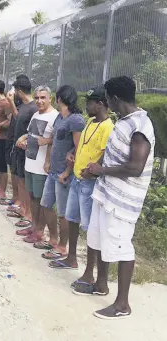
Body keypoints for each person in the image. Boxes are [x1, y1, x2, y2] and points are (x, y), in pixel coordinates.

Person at [84, 76, 155, 320]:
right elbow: (113, 156)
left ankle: (122, 304)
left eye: (107, 98)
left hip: (123, 201)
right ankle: (101, 284)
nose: (106, 103)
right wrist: (95, 169)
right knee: (100, 238)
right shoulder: (123, 121)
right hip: (106, 195)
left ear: (114, 98)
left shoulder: (140, 126)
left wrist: (101, 170)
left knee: (122, 247)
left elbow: (135, 167)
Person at [52, 85, 113, 275]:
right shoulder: (90, 122)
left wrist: (92, 171)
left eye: (90, 103)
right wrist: (72, 153)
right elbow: (82, 146)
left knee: (90, 228)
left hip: (90, 182)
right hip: (77, 179)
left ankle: (90, 270)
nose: (86, 106)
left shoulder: (107, 127)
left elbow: (104, 153)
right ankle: (71, 258)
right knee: (71, 218)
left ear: (101, 104)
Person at [38, 85, 85, 260]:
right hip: (53, 170)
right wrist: (48, 160)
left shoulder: (76, 120)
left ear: (59, 99)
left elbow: (78, 148)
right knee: (46, 204)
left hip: (65, 174)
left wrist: (67, 171)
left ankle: (62, 247)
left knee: (64, 213)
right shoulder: (60, 117)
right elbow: (56, 139)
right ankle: (53, 239)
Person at [15, 86, 59, 245]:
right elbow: (32, 133)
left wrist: (48, 161)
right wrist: (23, 138)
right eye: (37, 98)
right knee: (33, 196)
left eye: (43, 97)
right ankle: (34, 226)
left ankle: (41, 231)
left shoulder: (55, 117)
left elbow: (56, 140)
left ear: (50, 99)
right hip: (30, 161)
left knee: (41, 200)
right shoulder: (35, 114)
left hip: (42, 167)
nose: (39, 101)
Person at [8, 77, 37, 230]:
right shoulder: (24, 106)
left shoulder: (33, 107)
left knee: (26, 183)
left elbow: (36, 130)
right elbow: (18, 118)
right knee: (20, 180)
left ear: (19, 90)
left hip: (27, 150)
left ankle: (28, 213)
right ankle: (23, 208)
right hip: (17, 149)